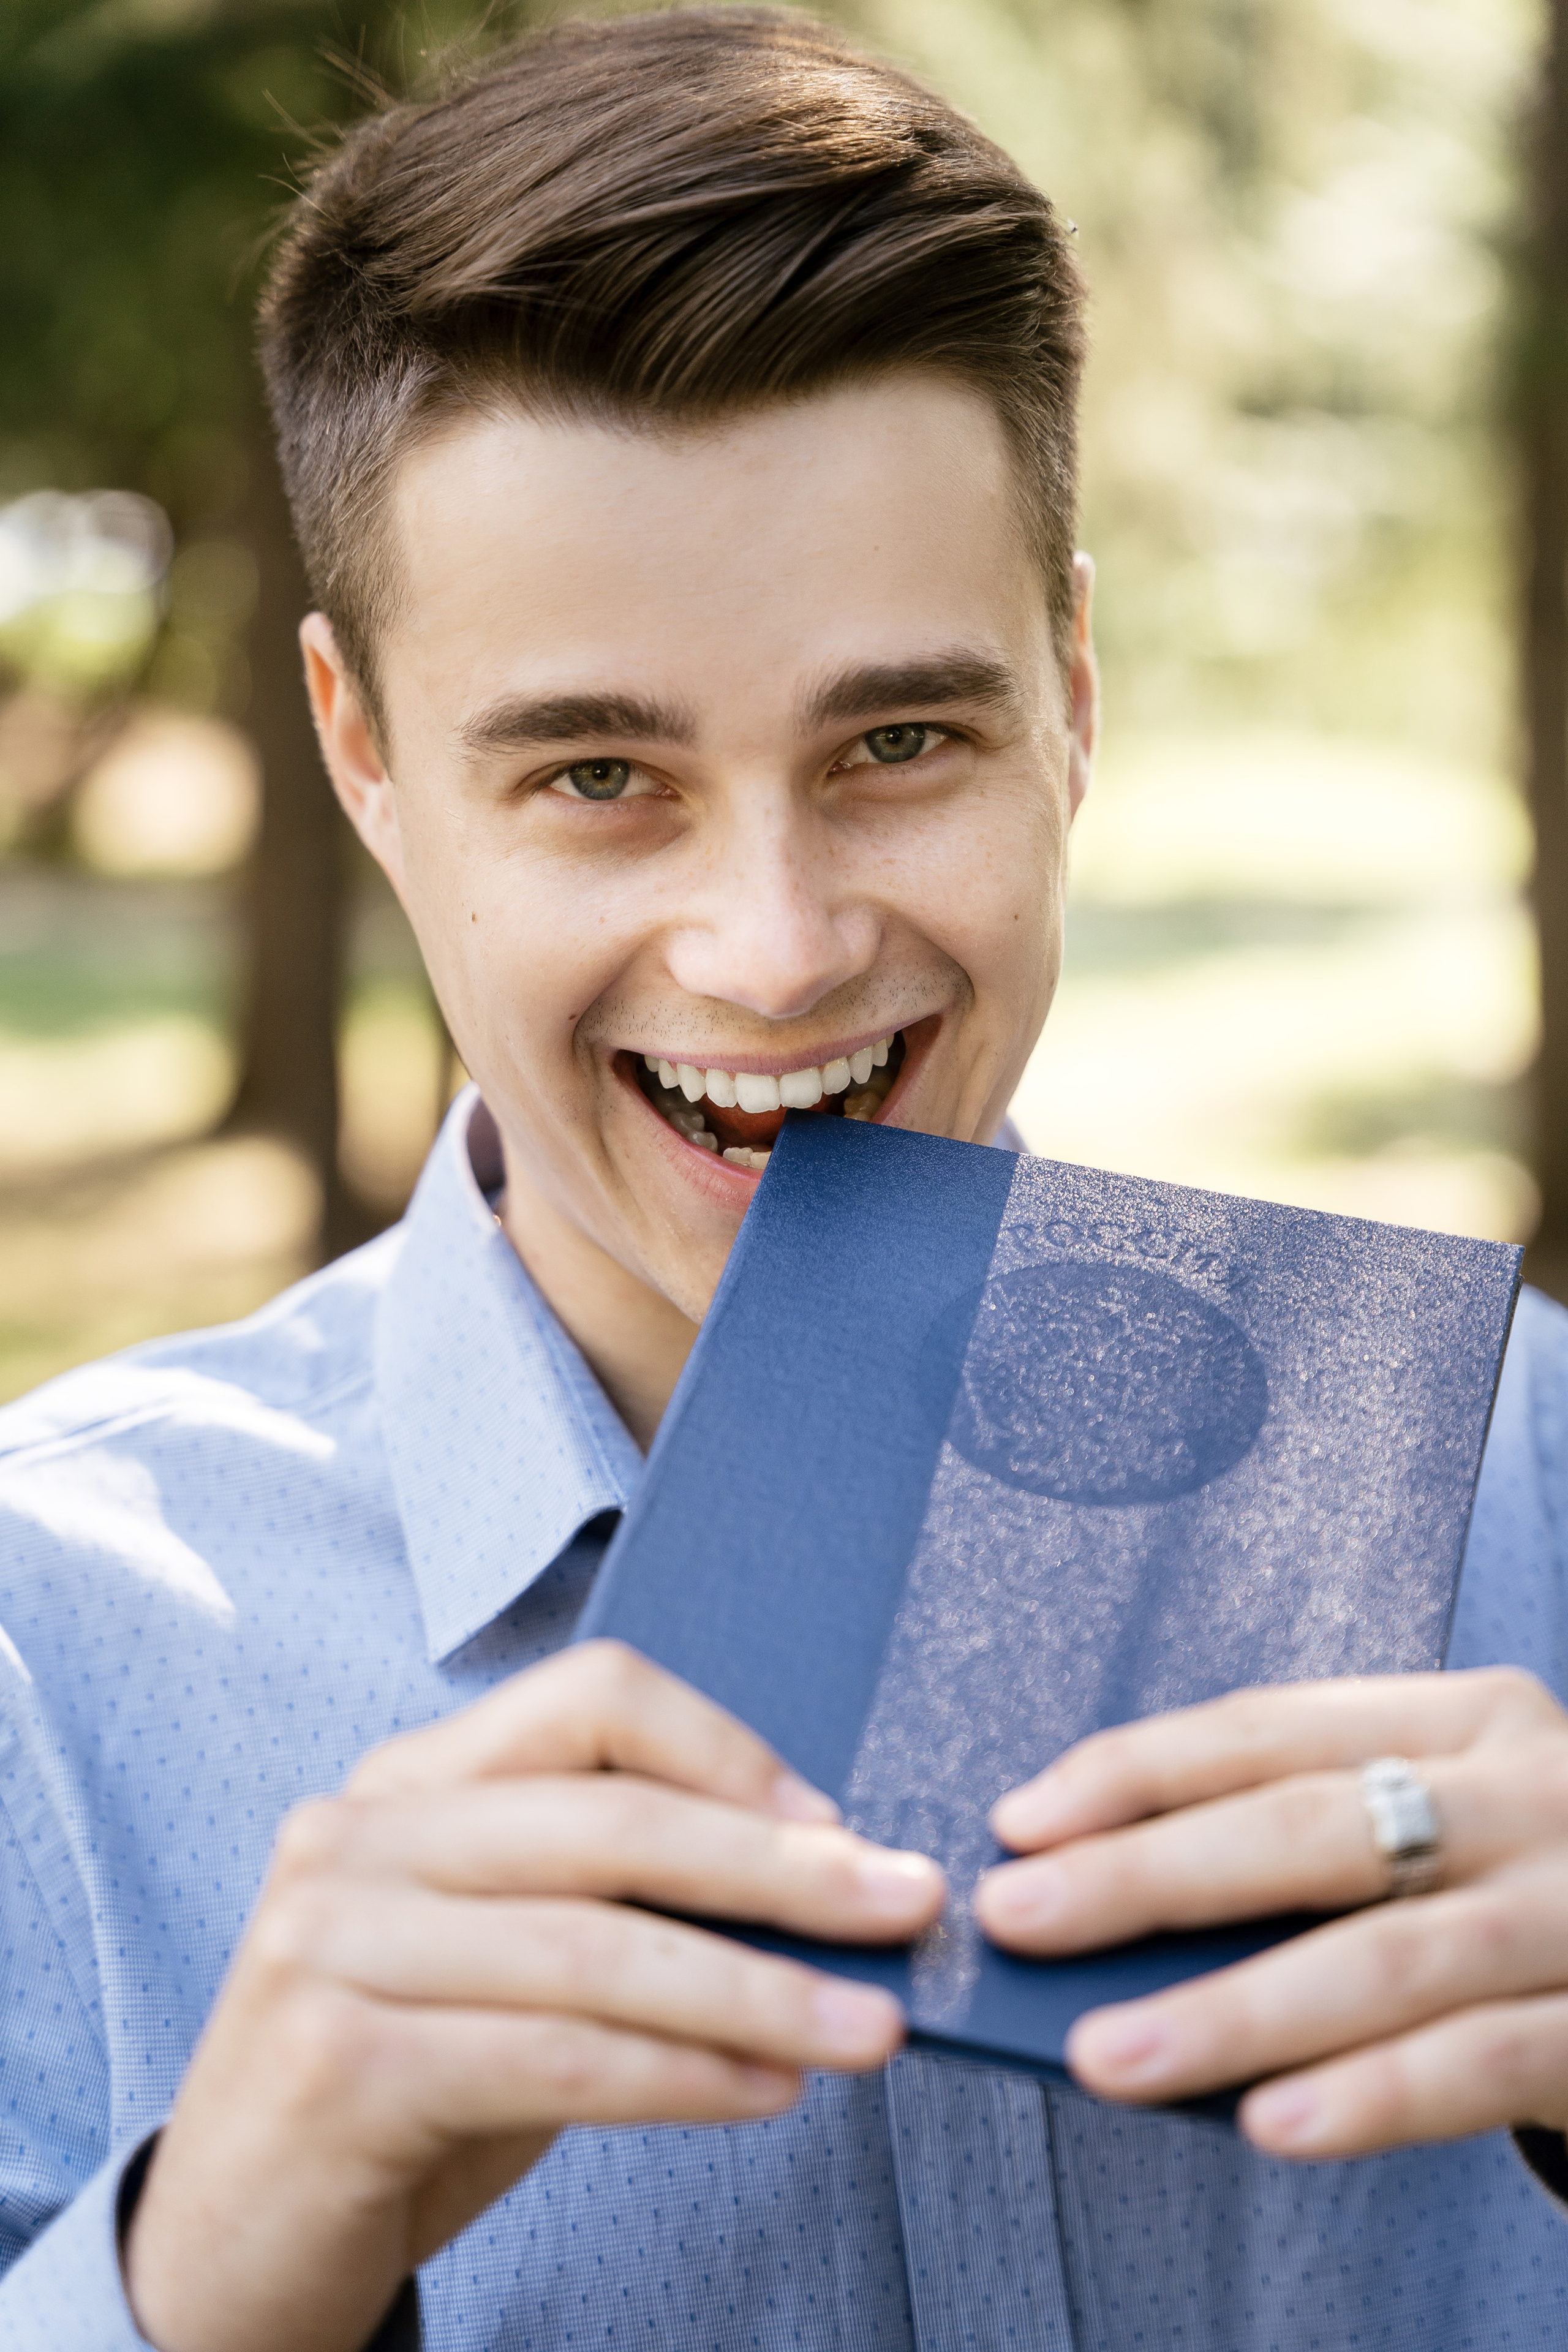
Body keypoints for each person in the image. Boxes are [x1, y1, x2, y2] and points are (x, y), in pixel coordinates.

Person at [3, 12, 1568, 2349]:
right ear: (362, 758)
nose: (778, 947)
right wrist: (205, 2270)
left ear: (1076, 700)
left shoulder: (1536, 1471)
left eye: (902, 740)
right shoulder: (44, 1653)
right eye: (599, 776)